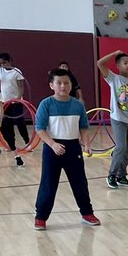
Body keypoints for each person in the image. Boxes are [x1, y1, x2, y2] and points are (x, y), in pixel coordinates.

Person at [33, 68, 100, 231]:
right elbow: (39, 129)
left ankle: (87, 213)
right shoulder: (46, 104)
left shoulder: (77, 105)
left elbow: (83, 127)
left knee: (80, 182)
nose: (63, 86)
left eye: (66, 83)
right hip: (52, 148)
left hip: (73, 148)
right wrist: (53, 144)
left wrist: (87, 144)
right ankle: (41, 216)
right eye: (59, 83)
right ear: (52, 85)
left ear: (71, 85)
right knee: (48, 183)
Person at [96, 48, 128, 189]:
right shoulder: (113, 78)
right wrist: (115, 53)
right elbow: (100, 63)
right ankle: (112, 174)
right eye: (125, 62)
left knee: (127, 149)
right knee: (121, 147)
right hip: (117, 119)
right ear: (118, 65)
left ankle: (122, 176)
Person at [0, 52, 29, 168]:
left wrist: (18, 98)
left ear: (10, 61)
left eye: (4, 62)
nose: (2, 65)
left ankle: (27, 142)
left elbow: (21, 87)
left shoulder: (16, 72)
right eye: (0, 63)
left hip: (16, 102)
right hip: (4, 102)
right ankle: (11, 144)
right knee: (7, 124)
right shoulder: (0, 71)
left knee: (19, 122)